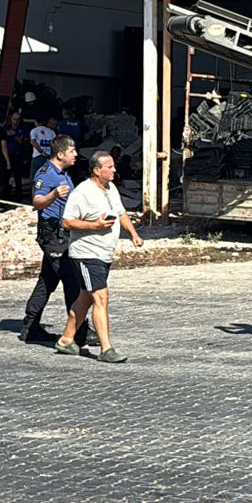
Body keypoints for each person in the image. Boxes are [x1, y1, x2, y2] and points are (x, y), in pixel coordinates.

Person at [55, 150, 144, 364]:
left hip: (104, 253)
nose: (114, 170)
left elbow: (120, 212)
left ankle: (66, 339)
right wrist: (93, 226)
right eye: (109, 167)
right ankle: (106, 348)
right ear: (96, 171)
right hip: (86, 253)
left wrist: (133, 234)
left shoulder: (111, 188)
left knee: (86, 297)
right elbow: (66, 222)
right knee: (101, 297)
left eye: (113, 166)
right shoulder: (82, 192)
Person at [21, 135, 81, 344]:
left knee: (48, 280)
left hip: (62, 233)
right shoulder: (46, 174)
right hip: (52, 235)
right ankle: (79, 331)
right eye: (72, 151)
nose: (76, 154)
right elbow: (37, 202)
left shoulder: (64, 173)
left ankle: (30, 326)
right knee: (71, 280)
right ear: (60, 153)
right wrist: (53, 195)